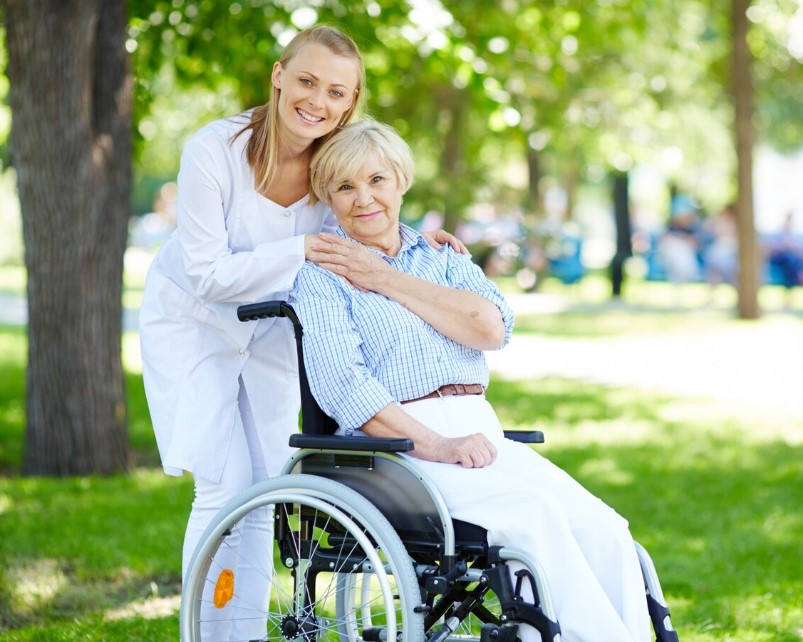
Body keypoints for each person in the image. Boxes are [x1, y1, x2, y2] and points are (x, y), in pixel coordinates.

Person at [138, 25, 463, 639]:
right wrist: (302, 250)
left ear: (354, 98)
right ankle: (202, 633)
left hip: (270, 329)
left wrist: (425, 242)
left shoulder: (335, 160)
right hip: (194, 323)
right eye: (307, 81)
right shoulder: (214, 150)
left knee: (266, 490)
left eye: (337, 92)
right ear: (279, 76)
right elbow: (207, 275)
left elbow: (370, 211)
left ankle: (243, 634)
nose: (318, 101)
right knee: (222, 485)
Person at [289, 118, 653, 642]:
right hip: (396, 450)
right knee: (534, 517)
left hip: (479, 431)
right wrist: (436, 444)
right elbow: (343, 385)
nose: (363, 198)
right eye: (345, 186)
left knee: (606, 530)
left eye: (376, 180)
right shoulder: (321, 277)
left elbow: (490, 328)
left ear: (401, 182)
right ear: (328, 195)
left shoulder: (444, 258)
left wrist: (384, 278)